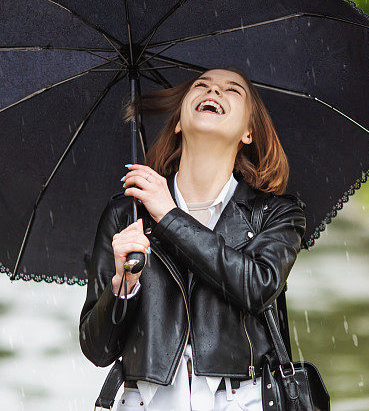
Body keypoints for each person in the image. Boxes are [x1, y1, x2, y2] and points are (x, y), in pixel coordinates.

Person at [79, 67, 306, 411]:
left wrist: (169, 216)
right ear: (178, 123)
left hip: (241, 401)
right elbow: (97, 350)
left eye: (232, 90)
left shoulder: (277, 214)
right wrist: (124, 285)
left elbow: (256, 286)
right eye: (201, 85)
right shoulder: (127, 215)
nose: (213, 91)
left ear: (248, 132)